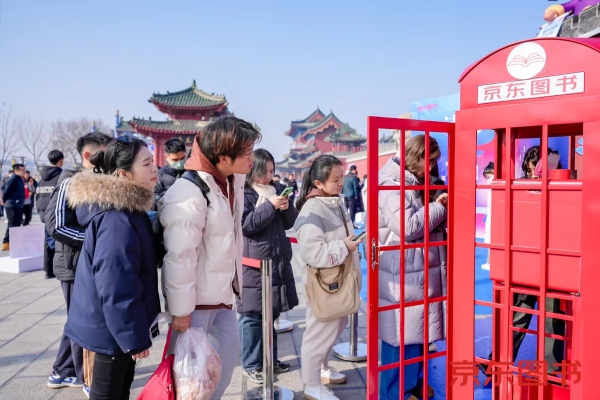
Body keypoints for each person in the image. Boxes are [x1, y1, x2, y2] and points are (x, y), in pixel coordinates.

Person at [159, 116, 261, 400]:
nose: (252, 159)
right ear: (223, 157)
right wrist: (180, 310)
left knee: (222, 367)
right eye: (247, 153)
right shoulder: (189, 192)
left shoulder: (230, 181)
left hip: (223, 294)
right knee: (191, 379)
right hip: (196, 303)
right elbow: (179, 256)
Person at [64, 136, 161, 400]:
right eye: (147, 163)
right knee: (107, 394)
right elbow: (117, 285)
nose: (155, 169)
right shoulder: (117, 219)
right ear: (124, 174)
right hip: (110, 332)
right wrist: (133, 337)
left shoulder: (129, 210)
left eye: (153, 162)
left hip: (112, 327)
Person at [480, 147, 565, 377]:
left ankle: (553, 368)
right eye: (531, 172)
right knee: (518, 314)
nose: (535, 176)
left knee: (553, 318)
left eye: (538, 172)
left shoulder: (562, 188)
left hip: (552, 261)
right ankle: (496, 361)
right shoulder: (518, 189)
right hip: (526, 261)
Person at [378, 135, 448, 400]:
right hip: (402, 272)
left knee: (416, 335)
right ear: (414, 156)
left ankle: (409, 389)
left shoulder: (414, 182)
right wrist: (438, 206)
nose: (430, 168)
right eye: (428, 161)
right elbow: (408, 227)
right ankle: (392, 393)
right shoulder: (392, 184)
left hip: (416, 270)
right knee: (398, 338)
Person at [45, 132, 112, 395]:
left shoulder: (99, 180)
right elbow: (57, 225)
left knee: (77, 320)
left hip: (86, 263)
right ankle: (86, 378)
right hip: (73, 266)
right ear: (89, 155)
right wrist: (95, 241)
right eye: (106, 152)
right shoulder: (71, 182)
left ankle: (61, 371)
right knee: (82, 322)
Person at [294, 155, 363, 400]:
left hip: (338, 281)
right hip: (325, 285)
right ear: (318, 183)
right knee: (319, 332)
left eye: (341, 176)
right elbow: (313, 254)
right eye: (335, 179)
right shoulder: (312, 210)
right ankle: (312, 386)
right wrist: (345, 247)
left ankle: (322, 370)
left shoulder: (332, 201)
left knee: (335, 325)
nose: (341, 182)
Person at [237, 149, 299, 383]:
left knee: (270, 314)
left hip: (275, 261)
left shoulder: (273, 191)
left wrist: (285, 206)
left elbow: (290, 222)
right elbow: (246, 225)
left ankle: (269, 360)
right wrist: (270, 206)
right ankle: (251, 364)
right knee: (252, 317)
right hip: (253, 265)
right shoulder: (245, 193)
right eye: (265, 172)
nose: (269, 177)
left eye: (272, 172)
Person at [36, 150, 64, 279]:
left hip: (43, 212)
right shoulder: (60, 176)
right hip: (54, 213)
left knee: (48, 241)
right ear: (60, 161)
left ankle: (48, 270)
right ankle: (58, 269)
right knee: (57, 242)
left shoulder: (42, 177)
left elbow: (38, 195)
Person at [1, 164, 26, 251]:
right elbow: (6, 191)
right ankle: (8, 243)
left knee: (14, 224)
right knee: (13, 225)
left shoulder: (19, 179)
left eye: (24, 170)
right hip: (12, 205)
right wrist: (3, 200)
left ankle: (8, 242)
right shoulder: (13, 179)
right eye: (22, 170)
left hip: (17, 205)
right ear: (16, 171)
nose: (24, 171)